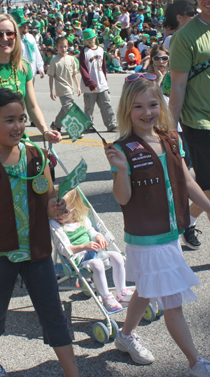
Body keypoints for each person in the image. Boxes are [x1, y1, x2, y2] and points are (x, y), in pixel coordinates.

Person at [0, 88, 79, 377]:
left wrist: (57, 206)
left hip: (36, 252)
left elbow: (49, 198)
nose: (18, 126)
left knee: (53, 313)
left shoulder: (37, 155)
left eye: (22, 119)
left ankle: (73, 373)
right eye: (9, 120)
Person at [104, 74, 210, 375]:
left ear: (161, 107)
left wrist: (208, 207)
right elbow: (122, 199)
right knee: (172, 303)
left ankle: (124, 336)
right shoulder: (122, 149)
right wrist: (121, 171)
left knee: (146, 290)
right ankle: (195, 362)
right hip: (148, 237)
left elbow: (187, 180)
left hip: (169, 231)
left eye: (152, 104)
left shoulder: (171, 139)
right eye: (138, 106)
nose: (146, 112)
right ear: (127, 110)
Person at [0, 13, 61, 154]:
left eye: (10, 33)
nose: (5, 38)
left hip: (18, 142)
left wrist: (45, 131)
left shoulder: (24, 67)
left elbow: (32, 106)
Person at [51, 188, 133, 312]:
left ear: (75, 208)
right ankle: (106, 298)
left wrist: (99, 237)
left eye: (65, 211)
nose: (60, 215)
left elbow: (92, 231)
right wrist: (84, 246)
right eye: (57, 212)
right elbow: (64, 249)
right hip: (79, 259)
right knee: (97, 264)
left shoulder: (82, 219)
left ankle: (122, 292)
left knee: (117, 257)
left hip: (95, 253)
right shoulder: (56, 224)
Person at [169, 0, 209, 251]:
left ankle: (188, 218)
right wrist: (170, 127)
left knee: (208, 189)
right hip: (200, 122)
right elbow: (178, 85)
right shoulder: (184, 37)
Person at [79, 29, 117, 132]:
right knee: (89, 107)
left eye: (91, 38)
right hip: (89, 86)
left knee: (106, 104)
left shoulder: (100, 50)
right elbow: (83, 70)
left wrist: (105, 80)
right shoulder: (84, 52)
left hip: (102, 83)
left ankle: (111, 124)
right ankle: (88, 125)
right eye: (87, 40)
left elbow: (103, 67)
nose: (90, 41)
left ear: (95, 37)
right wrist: (90, 83)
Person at [48, 37, 81, 132]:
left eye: (65, 46)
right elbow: (51, 76)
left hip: (70, 88)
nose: (64, 49)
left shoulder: (71, 59)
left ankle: (56, 125)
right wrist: (51, 90)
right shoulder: (54, 60)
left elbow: (74, 74)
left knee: (64, 109)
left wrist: (78, 87)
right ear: (57, 47)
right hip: (61, 89)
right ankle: (77, 129)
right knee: (69, 109)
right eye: (61, 47)